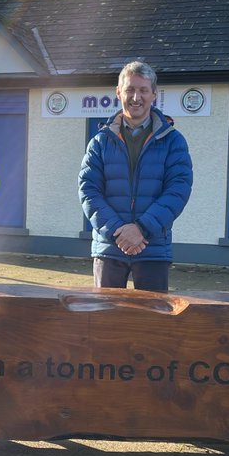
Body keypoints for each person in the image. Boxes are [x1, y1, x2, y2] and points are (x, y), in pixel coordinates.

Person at [79, 60, 193, 291]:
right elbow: (88, 190)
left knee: (152, 324)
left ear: (154, 95)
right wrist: (117, 231)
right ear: (118, 92)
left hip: (152, 247)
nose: (136, 97)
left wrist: (140, 229)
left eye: (143, 90)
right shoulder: (100, 143)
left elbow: (178, 190)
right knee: (105, 320)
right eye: (130, 89)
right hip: (110, 247)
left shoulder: (173, 141)